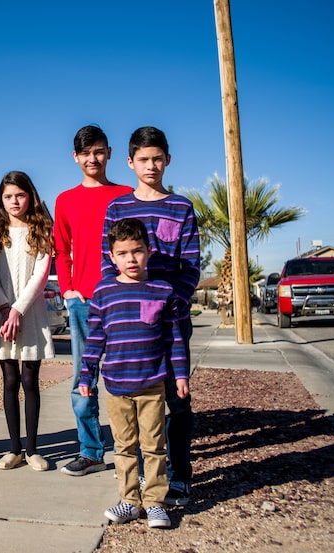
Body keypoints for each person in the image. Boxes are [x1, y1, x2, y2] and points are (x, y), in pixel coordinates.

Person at [101, 126, 201, 506]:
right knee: (130, 395)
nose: (151, 165)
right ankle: (138, 475)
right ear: (130, 162)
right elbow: (106, 263)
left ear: (168, 160)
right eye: (143, 159)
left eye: (157, 158)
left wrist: (173, 302)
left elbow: (190, 264)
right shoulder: (118, 209)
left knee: (176, 397)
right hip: (128, 324)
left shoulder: (180, 208)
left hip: (170, 318)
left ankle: (178, 476)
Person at [82, 217, 189, 529]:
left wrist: (180, 376)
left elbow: (174, 339)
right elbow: (94, 340)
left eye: (137, 251)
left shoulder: (161, 291)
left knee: (154, 445)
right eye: (124, 253)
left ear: (149, 251)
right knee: (124, 447)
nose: (131, 258)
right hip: (116, 386)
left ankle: (155, 502)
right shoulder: (103, 293)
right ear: (111, 257)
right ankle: (130, 500)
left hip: (152, 384)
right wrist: (86, 376)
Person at [53, 125, 134, 476]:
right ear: (75, 157)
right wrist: (68, 288)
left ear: (110, 153)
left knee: (127, 377)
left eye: (98, 151)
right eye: (86, 153)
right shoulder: (65, 200)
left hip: (121, 300)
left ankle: (131, 451)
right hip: (82, 301)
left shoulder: (127, 195)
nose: (92, 159)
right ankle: (90, 450)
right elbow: (61, 249)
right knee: (83, 378)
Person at [0, 171, 55, 471]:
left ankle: (32, 450)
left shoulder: (41, 230)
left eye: (20, 195)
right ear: (1, 199)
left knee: (30, 380)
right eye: (8, 196)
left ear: (30, 196)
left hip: (31, 314)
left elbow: (41, 275)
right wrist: (4, 307)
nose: (15, 201)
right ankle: (13, 449)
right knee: (10, 380)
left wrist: (18, 310)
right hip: (1, 315)